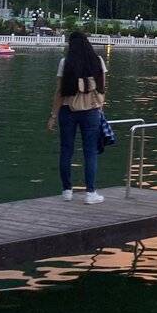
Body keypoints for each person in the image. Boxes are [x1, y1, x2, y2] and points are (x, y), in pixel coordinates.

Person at [47, 31, 108, 203]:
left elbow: (59, 92)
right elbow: (103, 87)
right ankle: (90, 193)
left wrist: (53, 115)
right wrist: (100, 108)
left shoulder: (65, 62)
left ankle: (67, 191)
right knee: (90, 152)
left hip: (67, 110)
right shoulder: (98, 61)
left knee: (66, 150)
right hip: (91, 111)